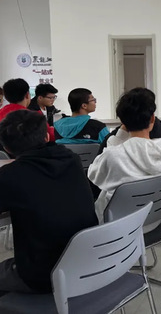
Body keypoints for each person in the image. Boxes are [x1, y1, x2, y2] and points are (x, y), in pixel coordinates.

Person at [0, 110, 97, 296]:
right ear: (46, 136)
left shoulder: (10, 176)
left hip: (44, 275)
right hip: (89, 260)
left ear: (7, 148)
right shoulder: (72, 159)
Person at [88, 88, 161, 220]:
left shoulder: (113, 155)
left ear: (122, 122)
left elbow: (93, 175)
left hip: (120, 224)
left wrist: (118, 137)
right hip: (156, 218)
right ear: (152, 118)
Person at [97, 88, 161, 154]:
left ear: (122, 120)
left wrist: (119, 135)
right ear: (152, 117)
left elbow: (101, 161)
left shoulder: (111, 150)